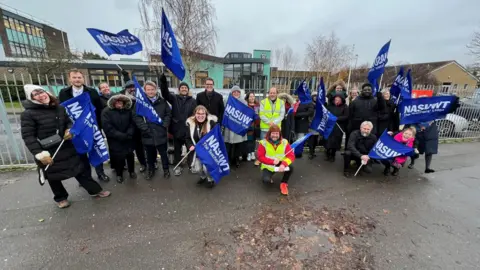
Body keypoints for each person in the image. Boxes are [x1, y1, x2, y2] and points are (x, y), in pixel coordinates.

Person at [21, 85, 110, 208]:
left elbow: (68, 121)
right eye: (35, 94)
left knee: (80, 169)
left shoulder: (59, 108)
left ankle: (95, 190)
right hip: (47, 150)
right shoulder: (28, 114)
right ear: (32, 98)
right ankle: (61, 198)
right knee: (53, 176)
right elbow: (28, 136)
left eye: (41, 92)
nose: (40, 95)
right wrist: (40, 154)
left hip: (66, 144)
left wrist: (69, 129)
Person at [58, 69, 110, 182]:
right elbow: (62, 112)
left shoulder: (92, 92)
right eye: (74, 77)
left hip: (92, 127)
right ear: (70, 79)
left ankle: (101, 173)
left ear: (83, 78)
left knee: (96, 150)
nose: (77, 79)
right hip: (76, 129)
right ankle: (87, 177)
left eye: (79, 77)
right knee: (81, 154)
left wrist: (100, 127)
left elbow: (99, 110)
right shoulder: (64, 93)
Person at [133, 81, 172, 180]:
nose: (150, 91)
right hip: (147, 133)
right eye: (148, 90)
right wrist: (144, 128)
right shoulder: (140, 103)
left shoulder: (162, 101)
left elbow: (168, 114)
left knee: (164, 154)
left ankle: (166, 170)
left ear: (156, 90)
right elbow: (137, 117)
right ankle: (151, 170)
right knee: (149, 155)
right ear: (145, 91)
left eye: (152, 89)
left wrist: (165, 124)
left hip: (160, 132)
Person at [159, 74, 197, 176]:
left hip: (189, 130)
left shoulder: (193, 101)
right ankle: (178, 166)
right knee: (177, 150)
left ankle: (191, 165)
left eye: (185, 88)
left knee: (191, 149)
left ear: (188, 90)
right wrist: (163, 82)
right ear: (179, 89)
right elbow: (165, 94)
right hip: (177, 129)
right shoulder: (174, 98)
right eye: (182, 87)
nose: (184, 89)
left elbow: (196, 114)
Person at [102, 94, 136, 183]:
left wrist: (129, 133)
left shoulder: (128, 110)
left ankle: (131, 171)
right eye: (117, 102)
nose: (119, 103)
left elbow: (132, 123)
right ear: (113, 102)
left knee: (130, 155)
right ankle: (119, 174)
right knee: (118, 158)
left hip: (128, 138)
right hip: (115, 140)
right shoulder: (106, 111)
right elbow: (107, 127)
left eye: (121, 102)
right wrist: (120, 135)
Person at [257, 125, 295, 196]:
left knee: (291, 168)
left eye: (277, 133)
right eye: (273, 133)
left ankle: (283, 183)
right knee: (266, 181)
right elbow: (260, 157)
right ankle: (269, 177)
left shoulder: (284, 142)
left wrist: (283, 164)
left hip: (280, 164)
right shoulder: (263, 143)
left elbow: (291, 156)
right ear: (269, 134)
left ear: (279, 134)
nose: (275, 135)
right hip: (268, 165)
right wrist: (272, 161)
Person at [185, 105, 218, 188]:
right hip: (197, 151)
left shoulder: (211, 123)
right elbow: (187, 138)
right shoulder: (191, 124)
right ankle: (203, 177)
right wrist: (190, 145)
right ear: (195, 114)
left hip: (208, 151)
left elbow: (217, 137)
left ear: (206, 114)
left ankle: (210, 179)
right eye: (198, 113)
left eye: (203, 113)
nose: (200, 115)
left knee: (207, 169)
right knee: (197, 169)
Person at [121, 80, 147, 172]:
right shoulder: (123, 99)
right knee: (133, 149)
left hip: (142, 126)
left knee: (145, 147)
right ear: (126, 89)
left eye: (133, 87)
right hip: (129, 128)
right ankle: (137, 166)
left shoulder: (142, 97)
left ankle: (148, 163)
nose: (132, 89)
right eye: (130, 87)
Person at [223, 86, 248, 168]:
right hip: (229, 125)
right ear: (231, 92)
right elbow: (223, 111)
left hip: (238, 125)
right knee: (229, 144)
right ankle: (229, 159)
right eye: (234, 92)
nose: (236, 93)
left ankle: (236, 159)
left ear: (240, 93)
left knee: (238, 144)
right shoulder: (226, 100)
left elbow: (246, 114)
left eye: (238, 92)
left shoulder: (244, 102)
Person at [325, 94, 349, 162]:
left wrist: (337, 118)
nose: (337, 101)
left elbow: (346, 116)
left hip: (338, 127)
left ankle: (333, 155)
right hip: (330, 126)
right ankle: (327, 154)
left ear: (342, 100)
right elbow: (326, 114)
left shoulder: (345, 107)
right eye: (336, 100)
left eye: (339, 100)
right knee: (328, 140)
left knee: (335, 142)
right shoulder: (330, 106)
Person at [293, 93, 315, 158]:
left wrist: (298, 114)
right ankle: (294, 152)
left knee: (300, 140)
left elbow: (310, 112)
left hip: (303, 124)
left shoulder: (309, 103)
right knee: (295, 139)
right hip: (295, 123)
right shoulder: (297, 102)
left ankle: (298, 153)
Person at [245, 92, 260, 162]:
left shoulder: (257, 105)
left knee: (254, 140)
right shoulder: (246, 105)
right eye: (250, 96)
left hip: (256, 126)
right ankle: (248, 153)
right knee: (249, 140)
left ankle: (253, 153)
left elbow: (259, 114)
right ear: (248, 98)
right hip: (248, 126)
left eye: (253, 96)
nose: (252, 98)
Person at [307, 91, 320, 160]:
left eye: (316, 96)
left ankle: (313, 151)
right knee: (311, 140)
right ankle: (310, 152)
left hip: (318, 124)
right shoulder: (310, 104)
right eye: (314, 96)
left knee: (316, 140)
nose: (315, 97)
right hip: (311, 124)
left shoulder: (320, 105)